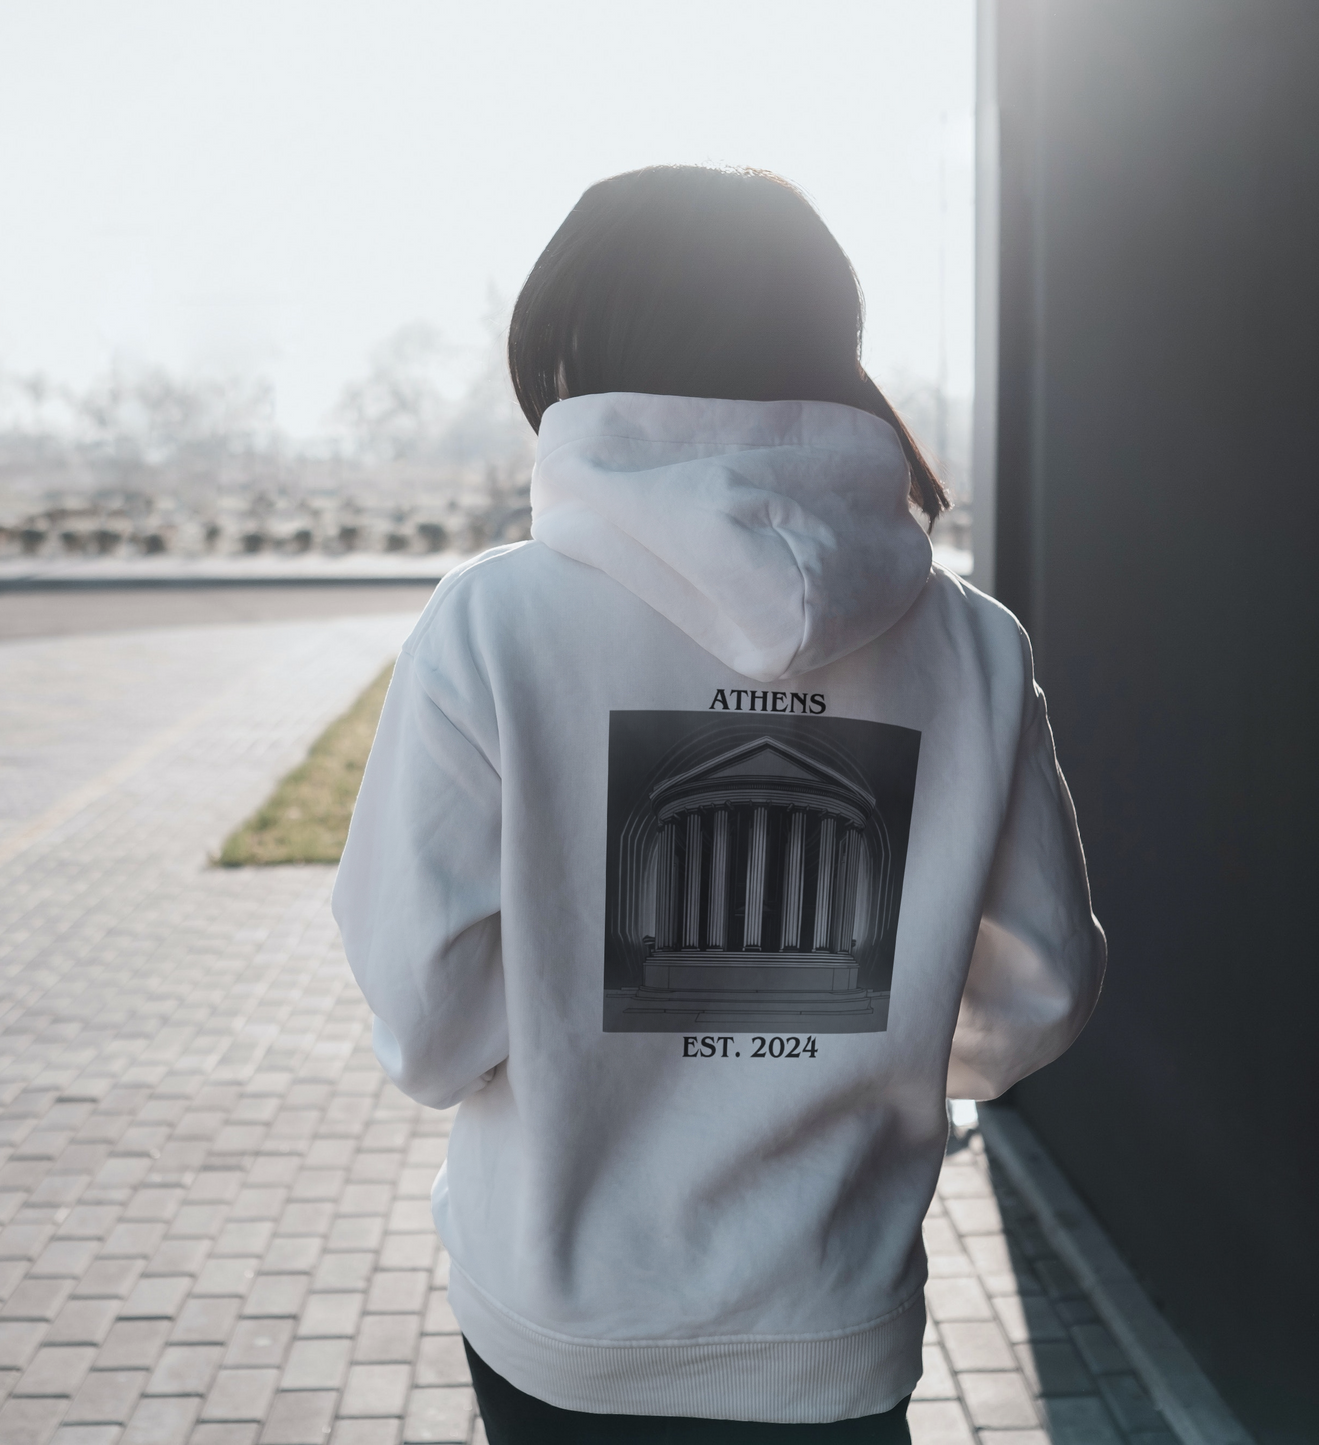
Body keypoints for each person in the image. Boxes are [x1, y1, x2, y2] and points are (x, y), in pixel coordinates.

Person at [333, 165, 1106, 1443]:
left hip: (566, 1324)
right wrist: (879, 1044)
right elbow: (1037, 995)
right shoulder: (970, 646)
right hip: (833, 1320)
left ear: (576, 353)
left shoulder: (494, 624)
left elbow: (426, 1026)